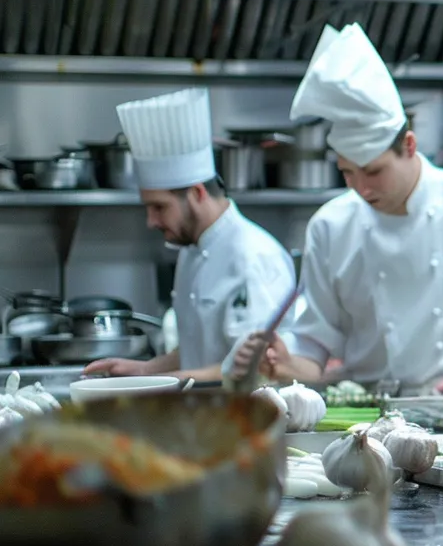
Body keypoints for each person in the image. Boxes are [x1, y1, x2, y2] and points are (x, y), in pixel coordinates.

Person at [227, 24, 443, 393]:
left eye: (374, 171)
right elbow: (315, 343)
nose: (361, 188)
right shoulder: (330, 226)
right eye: (347, 172)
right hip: (372, 412)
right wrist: (284, 362)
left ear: (409, 146)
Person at [86, 87, 295, 381]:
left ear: (197, 193)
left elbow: (254, 370)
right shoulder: (189, 250)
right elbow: (201, 352)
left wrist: (159, 383)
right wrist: (143, 370)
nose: (151, 221)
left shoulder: (254, 257)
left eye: (159, 207)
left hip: (246, 420)